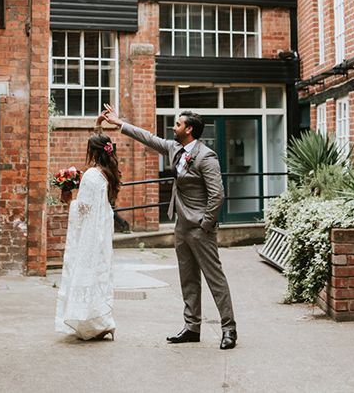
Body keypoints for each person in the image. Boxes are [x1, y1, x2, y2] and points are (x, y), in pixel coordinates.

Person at [98, 104, 237, 350]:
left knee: (215, 278)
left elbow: (217, 195)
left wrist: (205, 224)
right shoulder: (175, 148)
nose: (174, 127)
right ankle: (192, 327)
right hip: (181, 226)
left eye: (178, 124)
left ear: (189, 129)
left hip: (200, 228)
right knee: (188, 279)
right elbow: (148, 138)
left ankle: (229, 329)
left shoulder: (207, 157)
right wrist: (120, 123)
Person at [55, 133, 121, 341]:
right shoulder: (107, 174)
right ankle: (102, 321)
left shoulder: (92, 175)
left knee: (85, 273)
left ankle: (94, 323)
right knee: (98, 274)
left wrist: (68, 200)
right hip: (102, 231)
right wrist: (99, 125)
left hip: (90, 235)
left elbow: (83, 210)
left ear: (93, 152)